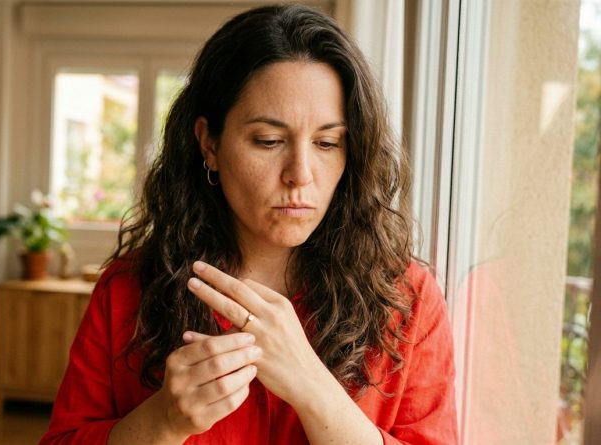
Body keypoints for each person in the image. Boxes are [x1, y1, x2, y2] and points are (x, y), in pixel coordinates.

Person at [40, 4, 457, 444]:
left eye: (327, 142)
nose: (301, 173)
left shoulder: (408, 299)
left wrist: (313, 389)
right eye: (269, 141)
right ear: (209, 143)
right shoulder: (126, 290)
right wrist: (160, 422)